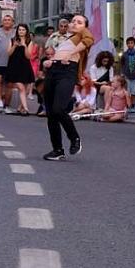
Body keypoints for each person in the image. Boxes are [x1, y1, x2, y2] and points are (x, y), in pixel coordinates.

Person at [41, 13, 95, 161]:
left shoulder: (82, 35)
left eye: (79, 22)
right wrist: (50, 62)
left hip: (67, 73)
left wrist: (69, 54)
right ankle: (57, 150)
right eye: (73, 22)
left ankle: (74, 138)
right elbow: (59, 56)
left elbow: (90, 39)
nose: (75, 24)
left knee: (59, 108)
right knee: (51, 113)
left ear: (85, 26)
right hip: (53, 72)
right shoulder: (66, 39)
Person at [5, 23, 37, 115]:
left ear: (26, 31)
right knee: (21, 87)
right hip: (14, 66)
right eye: (19, 30)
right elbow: (8, 53)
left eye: (23, 30)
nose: (21, 32)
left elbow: (28, 56)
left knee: (25, 89)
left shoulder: (29, 41)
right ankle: (26, 108)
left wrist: (24, 46)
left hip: (24, 66)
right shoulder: (12, 40)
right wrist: (14, 45)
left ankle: (20, 107)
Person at [0, 14, 16, 110]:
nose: (7, 21)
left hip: (11, 63)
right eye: (5, 20)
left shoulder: (15, 33)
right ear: (2, 22)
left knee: (9, 85)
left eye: (9, 20)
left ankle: (7, 105)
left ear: (12, 22)